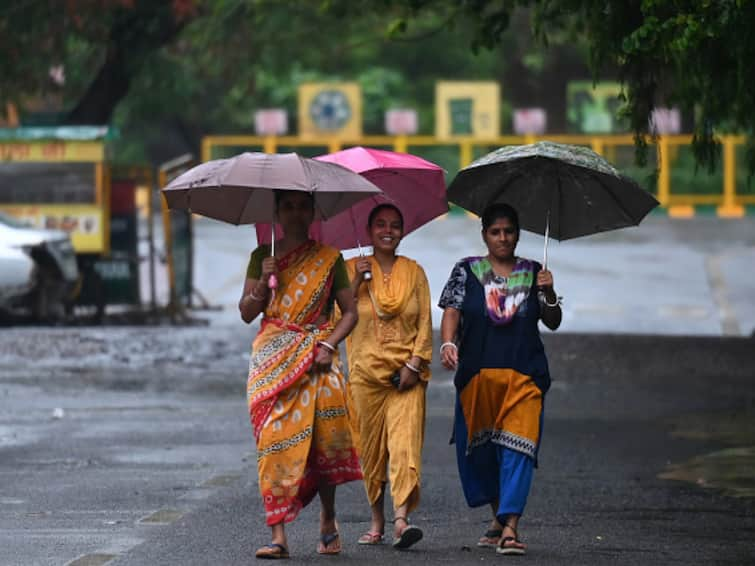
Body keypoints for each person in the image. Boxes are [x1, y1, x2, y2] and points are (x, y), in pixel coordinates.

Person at [240, 190, 362, 559]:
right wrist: (263, 282)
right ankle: (278, 535)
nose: (295, 213)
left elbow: (350, 312)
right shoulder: (262, 256)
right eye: (287, 206)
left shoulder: (329, 259)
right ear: (276, 212)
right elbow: (247, 312)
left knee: (323, 444)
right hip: (272, 360)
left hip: (318, 359)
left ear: (313, 212)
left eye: (302, 206)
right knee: (272, 443)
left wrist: (329, 346)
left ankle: (328, 516)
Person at [438, 203, 561, 556]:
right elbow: (452, 310)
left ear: (518, 234)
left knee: (518, 450)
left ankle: (510, 527)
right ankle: (497, 516)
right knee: (482, 453)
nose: (503, 238)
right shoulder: (467, 270)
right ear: (484, 235)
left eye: (509, 231)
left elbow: (552, 320)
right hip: (477, 376)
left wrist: (549, 293)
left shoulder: (535, 272)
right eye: (496, 232)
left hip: (525, 376)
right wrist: (448, 342)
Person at [343, 203, 433, 550]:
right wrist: (355, 281)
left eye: (395, 225)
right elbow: (338, 315)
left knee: (404, 444)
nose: (388, 230)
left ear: (402, 232)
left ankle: (400, 520)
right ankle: (376, 520)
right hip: (365, 375)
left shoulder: (415, 272)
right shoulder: (352, 268)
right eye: (380, 224)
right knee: (372, 451)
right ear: (369, 230)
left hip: (406, 376)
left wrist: (414, 364)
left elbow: (425, 322)